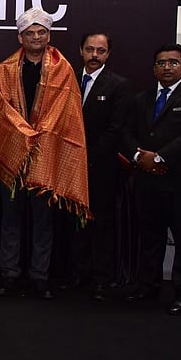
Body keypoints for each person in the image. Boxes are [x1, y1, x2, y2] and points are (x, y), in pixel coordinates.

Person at [0, 7, 90, 299]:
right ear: (20, 37)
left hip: (46, 154)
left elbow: (65, 111)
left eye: (41, 32)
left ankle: (39, 276)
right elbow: (0, 111)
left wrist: (39, 133)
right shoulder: (3, 70)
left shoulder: (63, 69)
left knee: (43, 221)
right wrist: (23, 133)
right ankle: (9, 275)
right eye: (30, 33)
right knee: (10, 219)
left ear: (48, 36)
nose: (36, 37)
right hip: (13, 155)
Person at [122, 43, 181, 314]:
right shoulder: (142, 99)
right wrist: (139, 157)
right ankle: (147, 286)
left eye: (173, 62)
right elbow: (126, 132)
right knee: (150, 238)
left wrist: (160, 158)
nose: (167, 67)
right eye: (161, 63)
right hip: (149, 181)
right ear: (154, 68)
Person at [64, 33, 131, 300]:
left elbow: (116, 129)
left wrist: (87, 156)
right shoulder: (66, 80)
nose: (94, 55)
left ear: (108, 54)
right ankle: (78, 274)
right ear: (80, 51)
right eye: (90, 49)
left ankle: (101, 278)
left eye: (100, 51)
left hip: (101, 167)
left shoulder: (118, 86)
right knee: (74, 222)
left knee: (101, 223)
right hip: (69, 166)